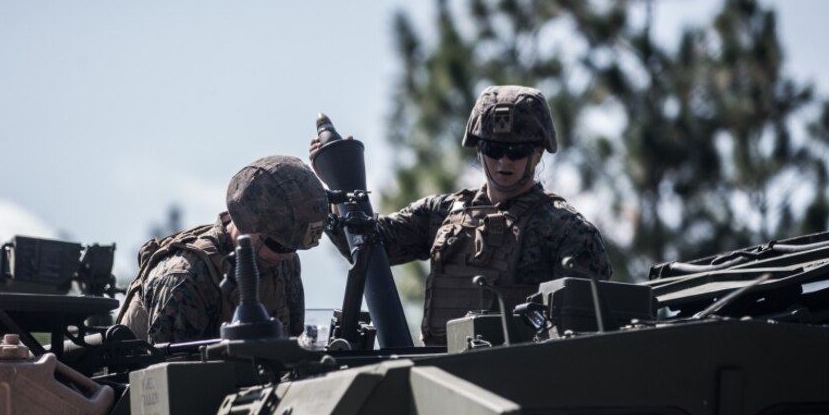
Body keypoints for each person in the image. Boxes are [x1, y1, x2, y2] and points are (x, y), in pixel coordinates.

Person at [313, 84, 611, 346]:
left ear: (537, 153)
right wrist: (338, 183)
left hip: (526, 388)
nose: (503, 161)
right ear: (479, 150)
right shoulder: (441, 213)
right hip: (441, 377)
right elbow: (366, 247)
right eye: (494, 149)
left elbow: (588, 337)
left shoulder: (568, 231)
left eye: (516, 151)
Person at [117, 155, 328, 345]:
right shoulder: (185, 277)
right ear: (247, 224)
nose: (288, 255)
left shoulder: (282, 261)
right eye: (279, 245)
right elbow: (168, 377)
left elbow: (293, 346)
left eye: (296, 248)